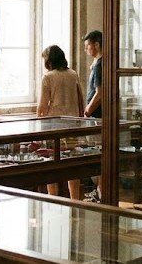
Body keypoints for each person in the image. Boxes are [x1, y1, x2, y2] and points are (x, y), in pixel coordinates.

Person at [37, 45, 85, 198]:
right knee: (72, 163)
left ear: (49, 60)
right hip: (73, 124)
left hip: (54, 126)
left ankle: (53, 199)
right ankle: (75, 199)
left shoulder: (48, 77)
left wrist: (39, 123)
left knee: (52, 164)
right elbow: (80, 98)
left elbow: (42, 106)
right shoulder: (73, 74)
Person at [82, 30, 103, 202]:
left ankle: (101, 191)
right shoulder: (98, 64)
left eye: (88, 46)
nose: (86, 49)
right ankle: (99, 191)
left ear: (96, 45)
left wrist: (88, 110)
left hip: (97, 116)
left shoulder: (99, 65)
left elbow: (100, 93)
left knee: (97, 154)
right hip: (97, 115)